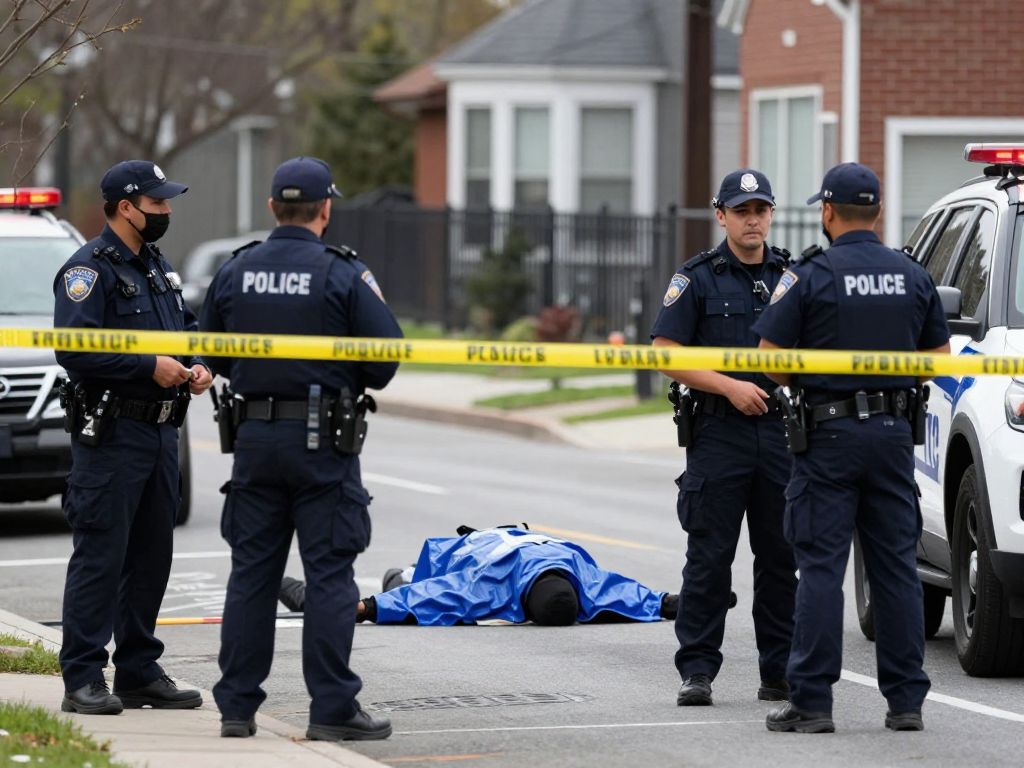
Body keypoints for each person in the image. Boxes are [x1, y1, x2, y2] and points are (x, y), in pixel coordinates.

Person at [201, 157, 403, 742]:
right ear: (326, 208)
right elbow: (385, 361)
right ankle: (333, 711)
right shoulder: (343, 272)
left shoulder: (237, 269)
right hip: (324, 445)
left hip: (255, 442)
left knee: (252, 577)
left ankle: (236, 710)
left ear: (271, 209)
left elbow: (208, 353)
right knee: (330, 577)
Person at [754, 162, 950, 733]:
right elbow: (936, 360)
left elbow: (769, 357)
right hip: (892, 437)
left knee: (819, 567)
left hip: (828, 438)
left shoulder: (811, 275)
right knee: (895, 567)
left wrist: (816, 388)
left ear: (829, 211)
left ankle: (812, 702)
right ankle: (906, 702)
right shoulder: (910, 275)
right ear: (880, 212)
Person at [53, 160, 212, 715]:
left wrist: (196, 364)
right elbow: (74, 350)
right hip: (112, 435)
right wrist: (150, 367)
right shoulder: (89, 270)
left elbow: (186, 330)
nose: (167, 211)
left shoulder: (157, 267)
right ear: (126, 207)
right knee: (102, 554)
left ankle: (138, 670)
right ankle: (83, 676)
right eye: (157, 204)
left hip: (160, 433)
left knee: (151, 556)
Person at [650, 169, 797, 707]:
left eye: (760, 209)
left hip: (782, 433)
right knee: (710, 556)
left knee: (781, 557)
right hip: (719, 431)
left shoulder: (792, 276)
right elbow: (666, 350)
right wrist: (730, 388)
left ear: (771, 213)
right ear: (721, 216)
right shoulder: (698, 277)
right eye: (742, 210)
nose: (752, 219)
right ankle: (697, 670)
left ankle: (778, 671)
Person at [276, 526, 726, 625]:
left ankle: (286, 586)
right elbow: (654, 600)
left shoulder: (584, 577)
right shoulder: (590, 583)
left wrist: (706, 599)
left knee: (407, 585)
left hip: (482, 543)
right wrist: (363, 607)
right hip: (469, 550)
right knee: (406, 584)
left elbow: (653, 599)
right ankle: (290, 587)